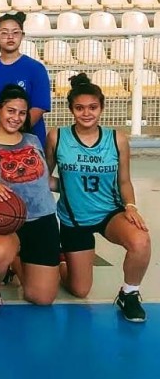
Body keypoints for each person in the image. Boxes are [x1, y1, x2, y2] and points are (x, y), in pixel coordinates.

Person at [45, 73, 150, 323]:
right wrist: (67, 186)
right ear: (71, 110)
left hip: (109, 213)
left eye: (92, 107)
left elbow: (124, 181)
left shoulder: (118, 139)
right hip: (74, 220)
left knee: (141, 241)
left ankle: (130, 294)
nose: (87, 113)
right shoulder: (57, 137)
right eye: (80, 108)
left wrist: (131, 206)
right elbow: (45, 178)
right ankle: (62, 262)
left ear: (102, 107)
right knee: (80, 291)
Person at [0, 84, 60, 319]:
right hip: (5, 221)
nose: (16, 117)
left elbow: (44, 180)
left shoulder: (33, 140)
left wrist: (74, 184)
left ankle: (16, 260)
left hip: (42, 219)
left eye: (21, 113)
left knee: (42, 298)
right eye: (11, 111)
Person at [0, 12, 51, 146]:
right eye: (4, 33)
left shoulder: (36, 69)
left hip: (28, 140)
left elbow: (39, 107)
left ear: (22, 36)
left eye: (15, 33)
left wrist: (14, 131)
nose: (10, 37)